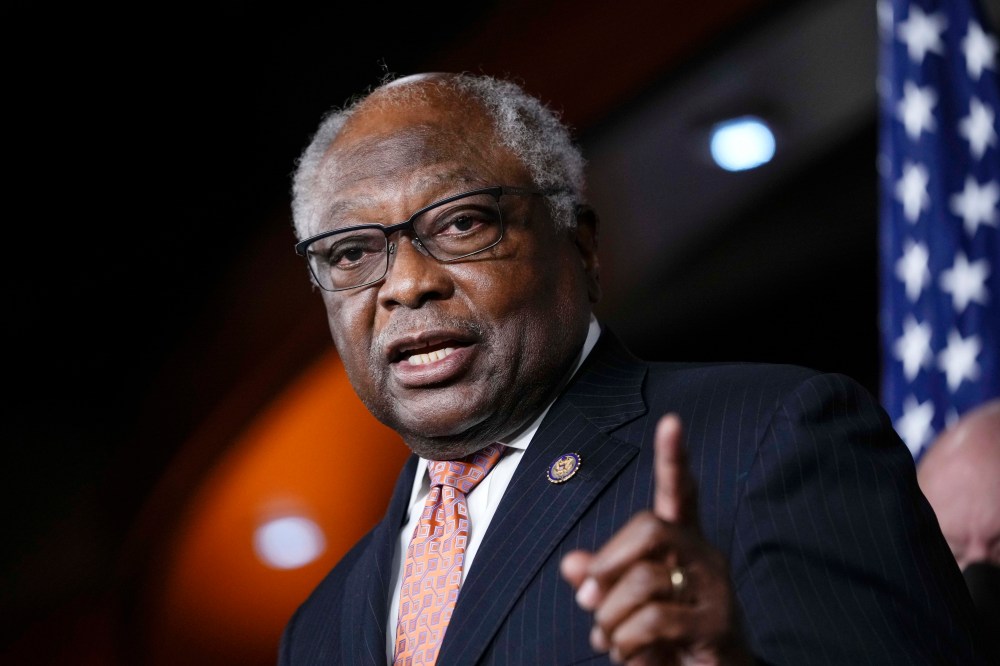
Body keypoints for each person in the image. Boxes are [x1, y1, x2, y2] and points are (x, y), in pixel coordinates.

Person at [278, 71, 988, 665]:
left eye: (462, 223)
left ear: (582, 248)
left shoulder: (775, 436)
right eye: (351, 253)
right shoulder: (316, 628)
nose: (406, 283)